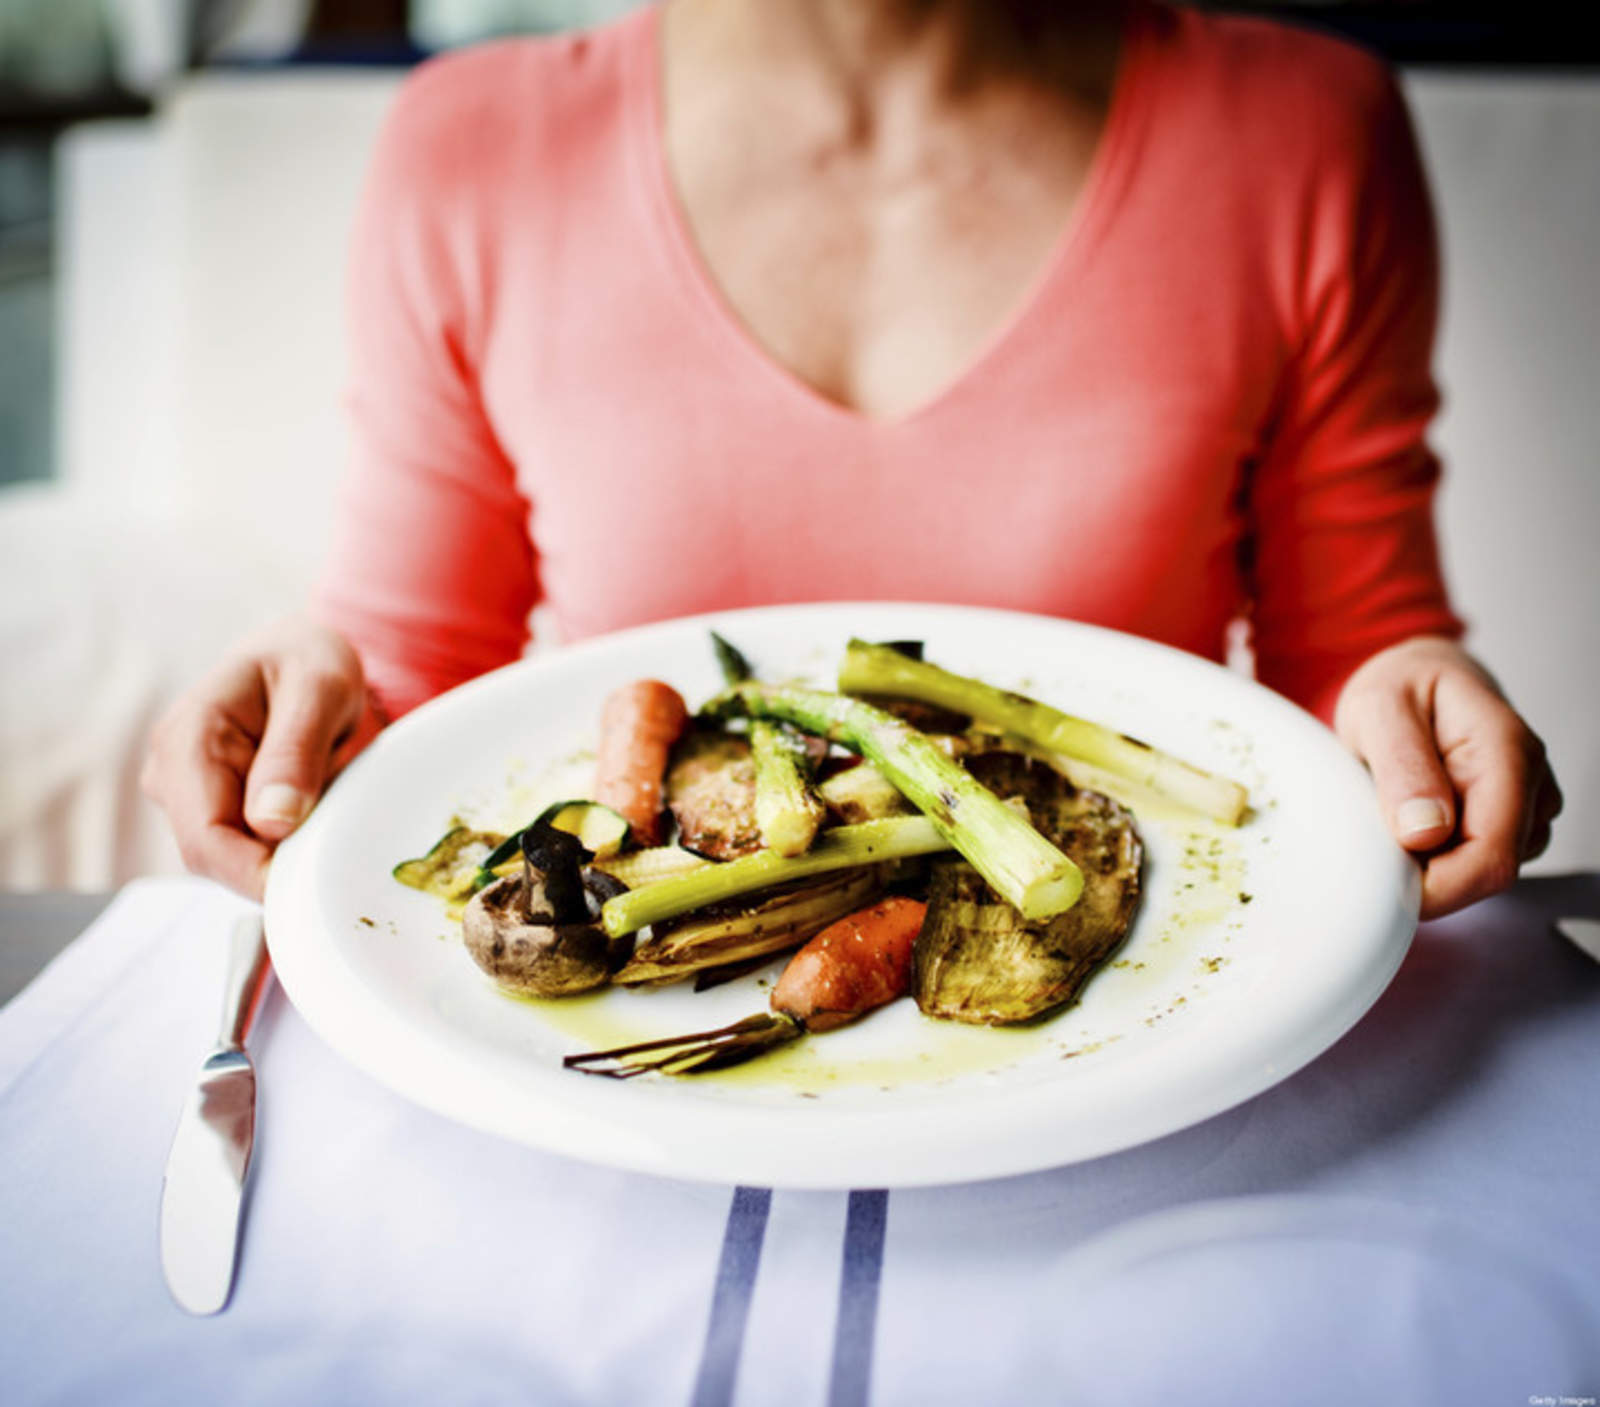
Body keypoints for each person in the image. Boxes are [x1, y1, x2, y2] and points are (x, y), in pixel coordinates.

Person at [143, 0, 1560, 918]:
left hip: (1149, 978)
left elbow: (1348, 667)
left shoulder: (1308, 128)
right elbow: (418, 697)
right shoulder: (468, 147)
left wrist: (1407, 705)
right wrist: (311, 718)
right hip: (645, 1036)